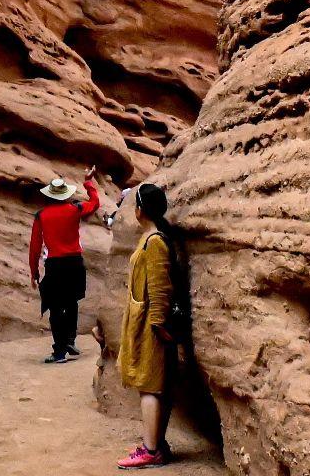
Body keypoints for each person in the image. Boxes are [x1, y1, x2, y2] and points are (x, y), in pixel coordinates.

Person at [117, 182, 179, 469]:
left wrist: (157, 323)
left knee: (150, 387)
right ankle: (155, 445)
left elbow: (160, 287)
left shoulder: (155, 242)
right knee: (150, 385)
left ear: (141, 210)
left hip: (151, 326)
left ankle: (151, 451)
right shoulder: (151, 238)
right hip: (146, 322)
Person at [27, 166, 99, 364]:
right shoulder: (75, 209)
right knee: (72, 302)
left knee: (55, 307)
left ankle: (59, 351)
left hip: (55, 265)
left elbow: (35, 247)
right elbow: (95, 203)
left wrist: (34, 272)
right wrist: (88, 182)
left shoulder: (41, 216)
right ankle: (70, 340)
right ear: (64, 195)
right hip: (75, 263)